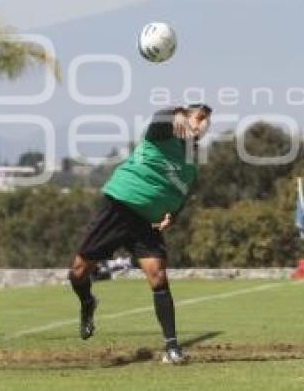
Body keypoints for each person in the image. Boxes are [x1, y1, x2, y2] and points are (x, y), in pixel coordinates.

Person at [67, 103, 213, 365]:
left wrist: (172, 216)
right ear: (186, 118)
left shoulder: (192, 164)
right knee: (77, 273)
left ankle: (172, 348)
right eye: (199, 117)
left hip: (146, 223)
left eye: (207, 121)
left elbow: (180, 199)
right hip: (118, 207)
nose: (203, 124)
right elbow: (159, 118)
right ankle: (88, 303)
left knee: (158, 276)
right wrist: (175, 113)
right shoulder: (162, 133)